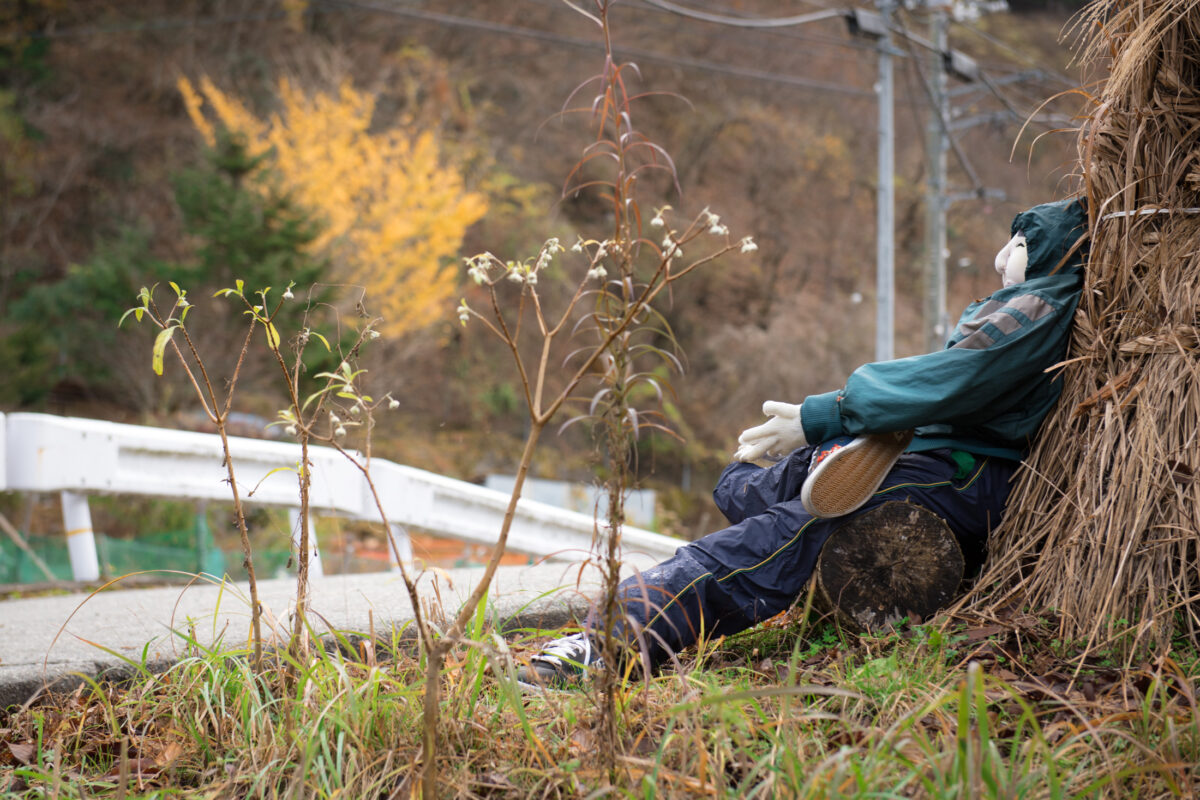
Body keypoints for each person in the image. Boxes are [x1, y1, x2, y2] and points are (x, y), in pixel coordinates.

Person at [518, 197, 1089, 689]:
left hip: (965, 471)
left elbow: (945, 379)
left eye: (1018, 241)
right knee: (758, 481)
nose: (1001, 255)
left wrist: (830, 413)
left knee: (786, 529)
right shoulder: (1029, 305)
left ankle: (610, 641)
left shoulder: (1041, 305)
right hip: (936, 456)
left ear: (1051, 250)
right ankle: (781, 483)